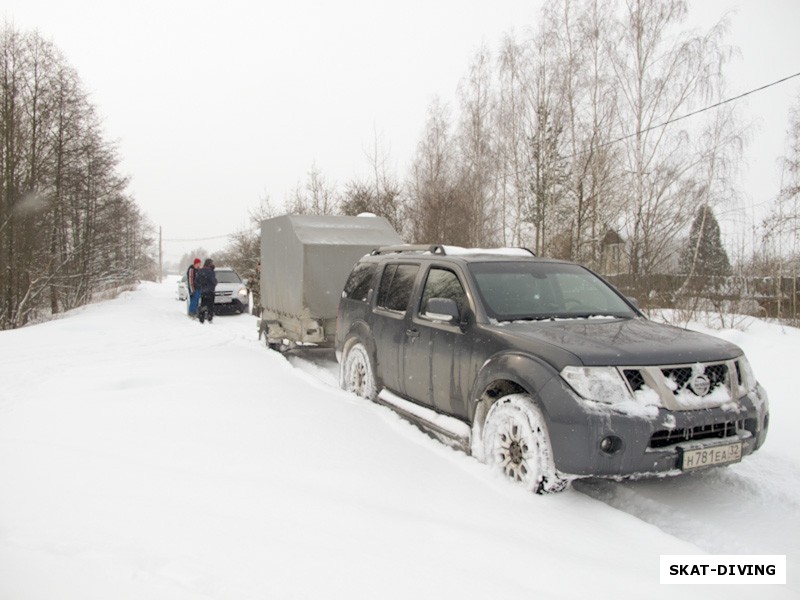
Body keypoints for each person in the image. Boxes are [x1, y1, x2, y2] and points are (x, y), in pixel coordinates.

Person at [194, 258, 217, 324]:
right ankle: (210, 318)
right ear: (209, 264)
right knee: (210, 305)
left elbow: (196, 281)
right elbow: (213, 281)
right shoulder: (211, 271)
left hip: (203, 291)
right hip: (210, 291)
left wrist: (201, 286)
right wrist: (215, 283)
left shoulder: (200, 271)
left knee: (203, 304)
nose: (213, 264)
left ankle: (201, 318)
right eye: (212, 263)